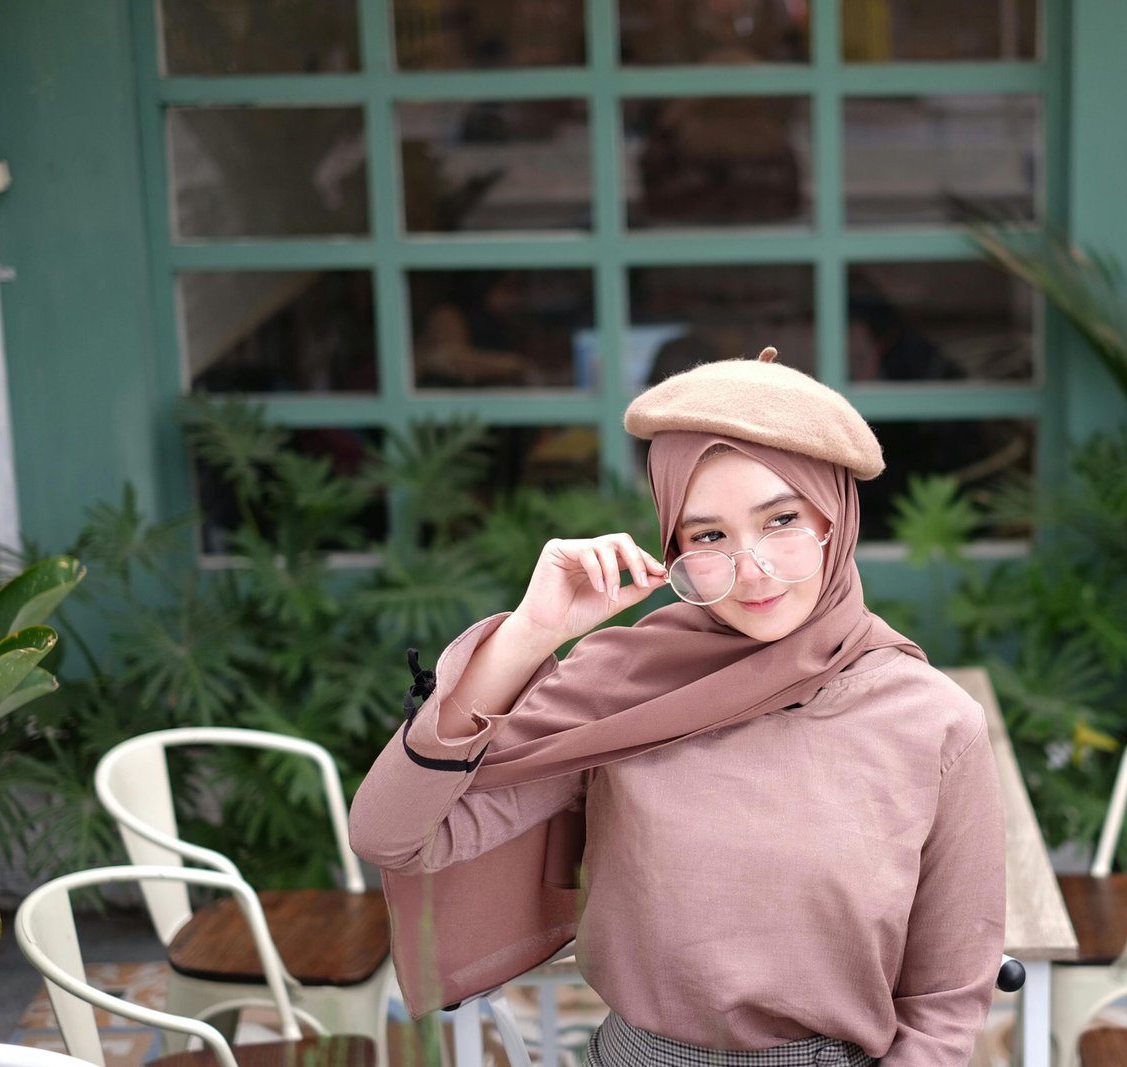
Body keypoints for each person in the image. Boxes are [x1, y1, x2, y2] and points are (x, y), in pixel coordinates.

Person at [349, 347, 1006, 1065]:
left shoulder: (932, 720)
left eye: (782, 519)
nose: (750, 569)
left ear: (836, 516)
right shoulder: (624, 686)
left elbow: (944, 1002)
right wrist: (529, 634)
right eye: (709, 536)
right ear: (674, 545)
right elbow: (390, 835)